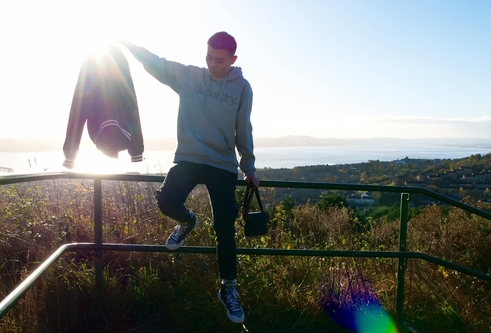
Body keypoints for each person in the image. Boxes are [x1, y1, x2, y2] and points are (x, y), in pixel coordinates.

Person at [119, 32, 260, 324]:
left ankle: (228, 289)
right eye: (208, 56)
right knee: (167, 200)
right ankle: (187, 221)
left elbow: (243, 129)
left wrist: (249, 168)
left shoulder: (242, 88)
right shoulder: (189, 76)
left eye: (219, 60)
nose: (211, 64)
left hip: (222, 164)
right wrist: (130, 46)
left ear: (233, 60)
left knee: (225, 227)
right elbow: (157, 64)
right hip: (189, 157)